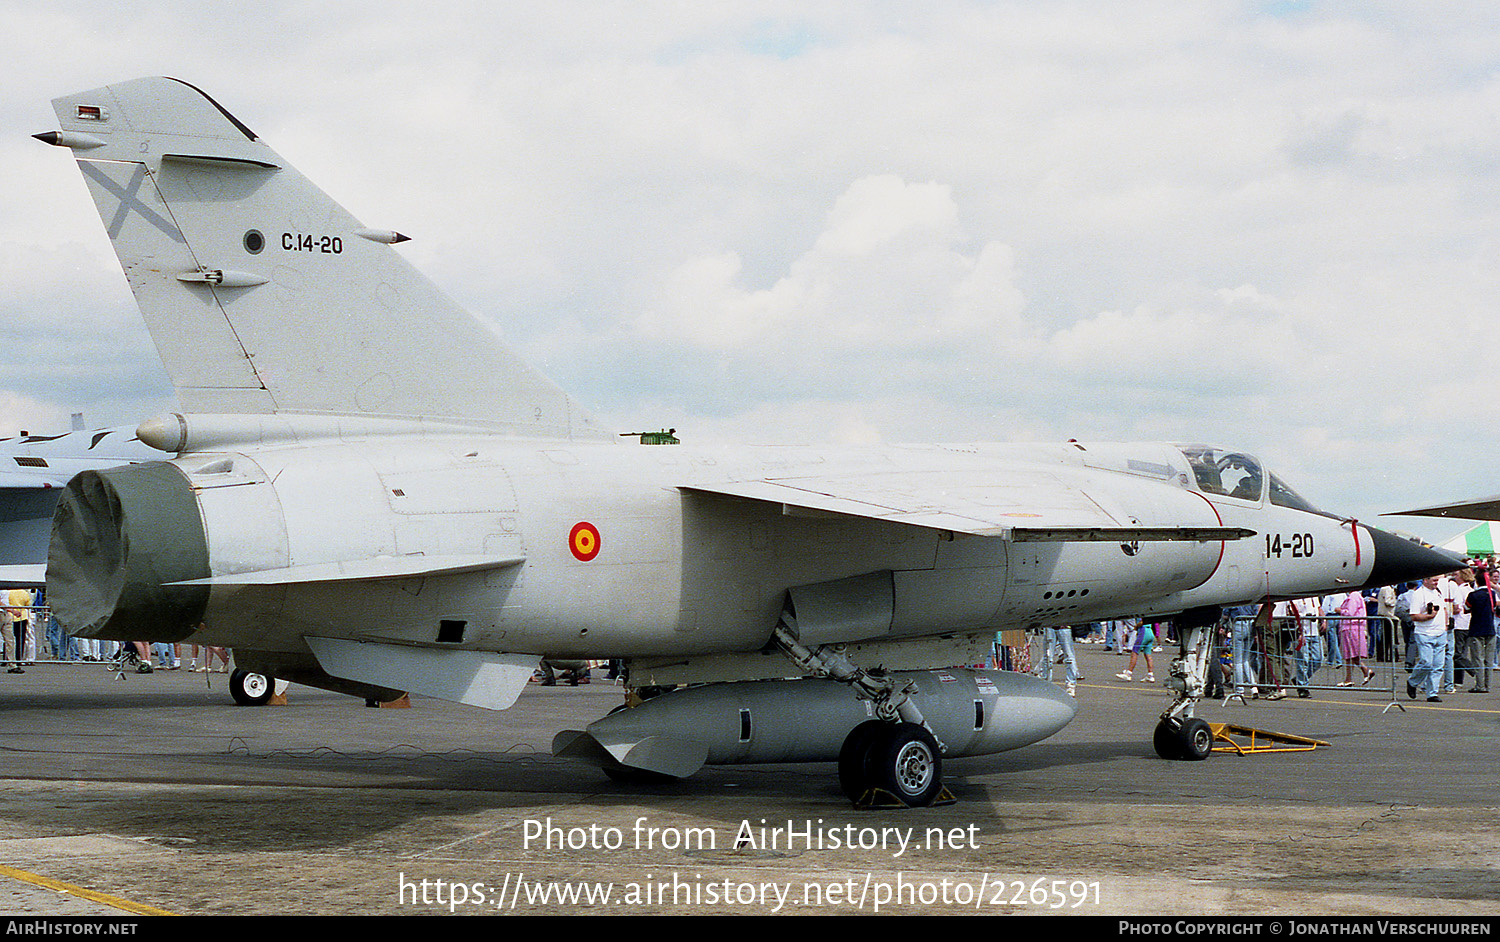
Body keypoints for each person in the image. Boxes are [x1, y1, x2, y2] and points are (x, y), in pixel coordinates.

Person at [1408, 575, 1450, 702]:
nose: (1436, 583)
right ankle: (1413, 682)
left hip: (1440, 632)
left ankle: (1432, 693)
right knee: (1426, 662)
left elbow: (1444, 609)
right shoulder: (1418, 594)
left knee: (1438, 665)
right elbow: (1414, 616)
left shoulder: (1438, 592)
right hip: (1424, 632)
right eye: (1434, 580)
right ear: (1425, 580)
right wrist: (1428, 616)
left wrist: (1446, 626)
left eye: (1437, 580)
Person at [1465, 572, 1496, 694]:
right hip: (1490, 628)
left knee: (1478, 659)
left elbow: (1466, 608)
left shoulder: (1473, 595)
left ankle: (1480, 685)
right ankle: (1488, 685)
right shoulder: (1492, 594)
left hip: (1476, 629)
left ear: (1476, 581)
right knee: (1489, 659)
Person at [1338, 590, 1374, 686]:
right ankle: (1350, 677)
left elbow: (1350, 613)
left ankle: (1364, 671)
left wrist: (1340, 611)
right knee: (1351, 654)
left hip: (1351, 627)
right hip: (1352, 627)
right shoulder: (1356, 596)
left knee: (1351, 653)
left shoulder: (1353, 596)